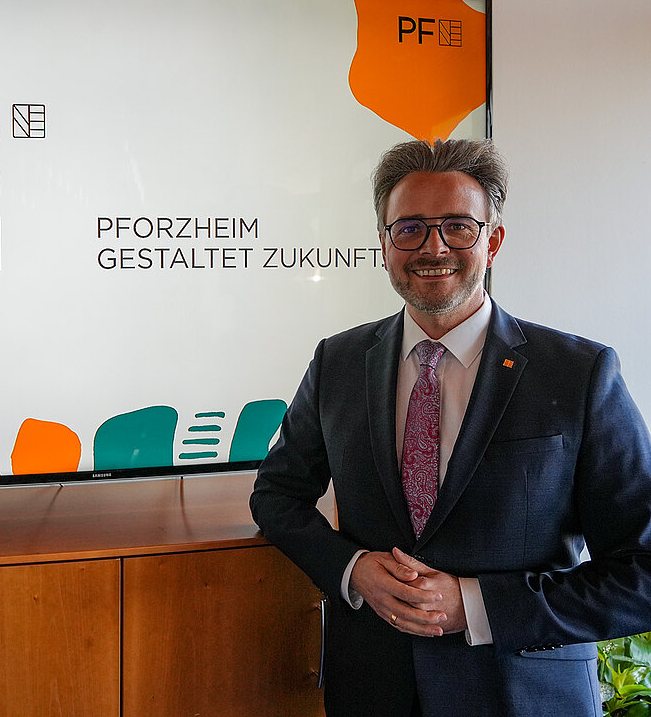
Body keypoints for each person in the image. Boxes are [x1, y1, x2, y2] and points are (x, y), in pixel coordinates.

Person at [250, 139, 651, 716]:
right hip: (373, 689)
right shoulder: (339, 361)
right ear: (384, 245)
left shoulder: (579, 373)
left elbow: (641, 571)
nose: (433, 247)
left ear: (494, 241)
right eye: (409, 228)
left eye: (458, 226)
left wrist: (477, 605)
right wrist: (352, 570)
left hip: (522, 694)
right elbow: (277, 495)